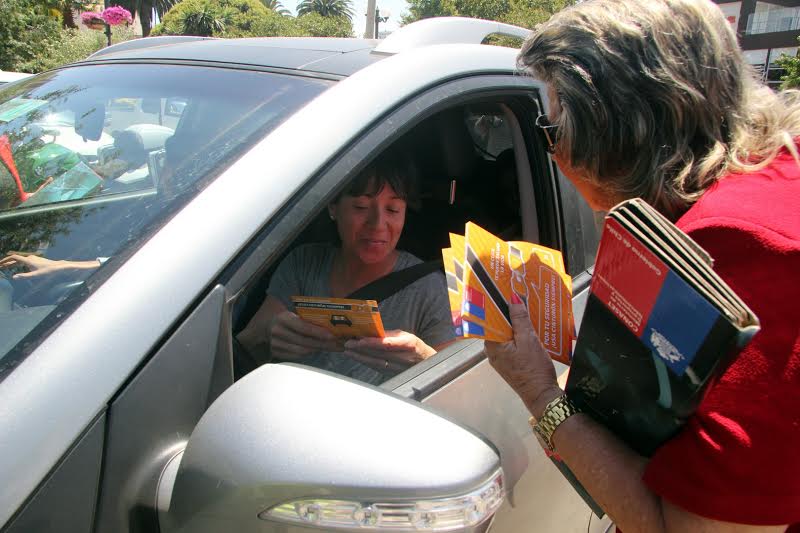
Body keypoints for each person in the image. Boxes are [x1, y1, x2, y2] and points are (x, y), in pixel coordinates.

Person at [485, 1, 800, 532]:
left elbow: (687, 528)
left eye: (551, 129)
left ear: (612, 132)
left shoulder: (733, 251)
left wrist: (542, 395)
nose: (554, 157)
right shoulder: (773, 178)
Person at [237, 151, 456, 385]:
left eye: (392, 210)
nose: (378, 224)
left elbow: (457, 385)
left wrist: (423, 359)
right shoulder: (304, 263)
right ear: (333, 207)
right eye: (361, 207)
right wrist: (269, 335)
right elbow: (241, 349)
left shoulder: (429, 288)